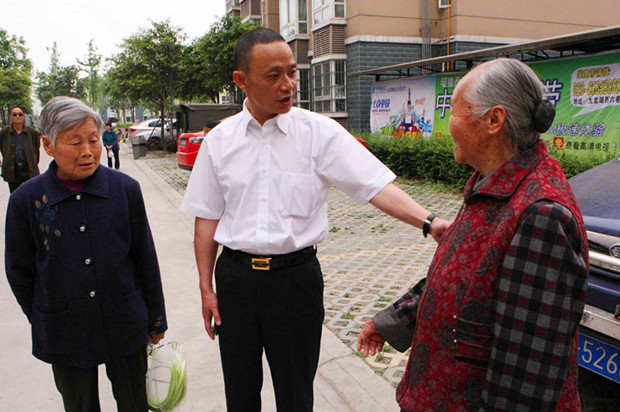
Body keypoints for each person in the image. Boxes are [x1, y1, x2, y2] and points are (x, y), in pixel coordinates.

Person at [181, 27, 450, 412]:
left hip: (295, 282)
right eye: (273, 75)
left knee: (296, 393)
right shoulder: (220, 141)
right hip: (236, 281)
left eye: (292, 72)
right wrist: (206, 288)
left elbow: (373, 185)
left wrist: (429, 220)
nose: (288, 85)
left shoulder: (318, 133)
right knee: (239, 391)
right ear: (241, 80)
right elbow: (206, 219)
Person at [358, 58, 588, 411]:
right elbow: (464, 279)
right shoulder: (492, 185)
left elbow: (526, 376)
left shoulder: (540, 214)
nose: (447, 122)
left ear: (494, 120)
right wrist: (393, 322)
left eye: (455, 110)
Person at [5, 96, 167, 412]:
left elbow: (144, 256)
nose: (87, 151)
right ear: (48, 145)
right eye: (74, 142)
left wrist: (156, 317)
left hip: (124, 320)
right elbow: (19, 271)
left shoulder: (124, 189)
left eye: (93, 140)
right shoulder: (27, 200)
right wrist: (43, 316)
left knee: (135, 402)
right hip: (66, 328)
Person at [0, 105, 41, 193]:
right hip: (13, 169)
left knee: (30, 195)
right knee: (15, 195)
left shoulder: (32, 132)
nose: (17, 116)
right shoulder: (4, 132)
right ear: (10, 117)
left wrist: (33, 162)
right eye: (14, 115)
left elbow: (36, 149)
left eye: (20, 114)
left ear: (23, 116)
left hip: (28, 169)